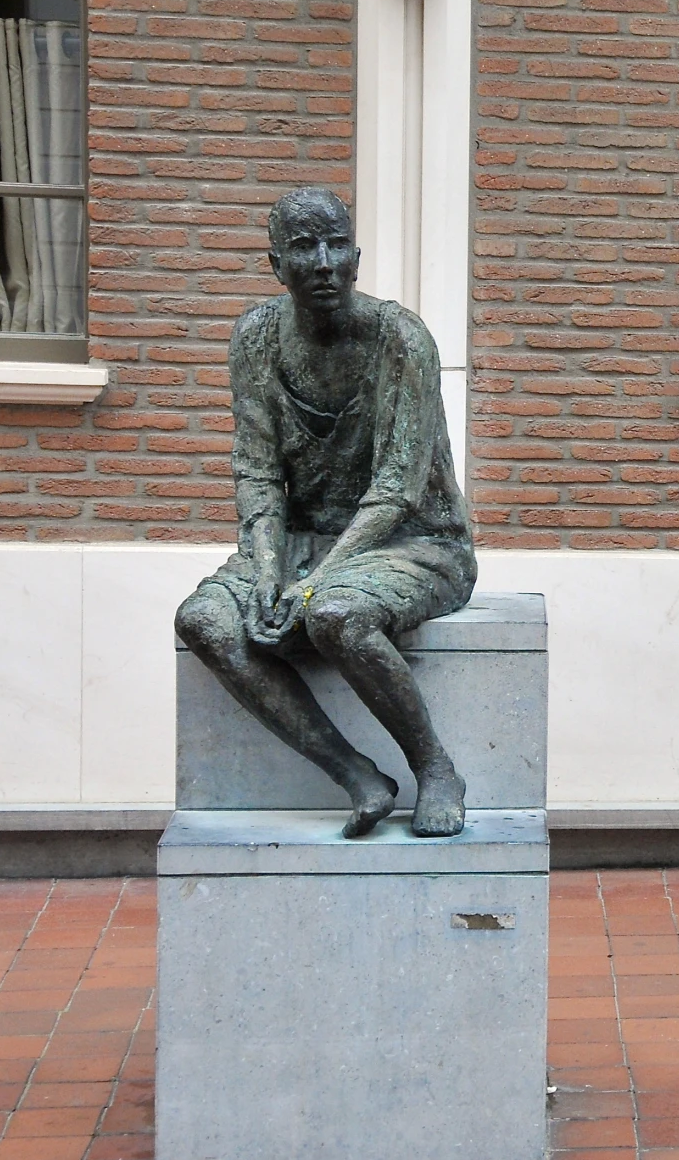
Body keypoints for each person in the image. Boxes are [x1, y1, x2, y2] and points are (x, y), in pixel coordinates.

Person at [175, 187, 479, 839]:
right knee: (205, 619)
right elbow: (257, 473)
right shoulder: (255, 339)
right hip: (304, 542)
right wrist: (264, 569)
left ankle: (436, 768)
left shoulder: (400, 339)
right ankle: (356, 775)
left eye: (336, 244)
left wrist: (311, 581)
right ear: (276, 264)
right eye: (304, 247)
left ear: (356, 256)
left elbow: (397, 488)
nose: (323, 262)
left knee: (333, 614)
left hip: (414, 542)